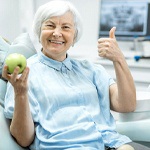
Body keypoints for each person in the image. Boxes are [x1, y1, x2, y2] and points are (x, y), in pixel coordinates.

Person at [2, 0, 150, 150]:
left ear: (74, 36)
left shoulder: (91, 70)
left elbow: (126, 105)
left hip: (110, 142)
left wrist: (119, 59)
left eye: (66, 27)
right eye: (50, 25)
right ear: (39, 30)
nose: (57, 33)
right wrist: (20, 94)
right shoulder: (23, 76)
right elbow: (24, 140)